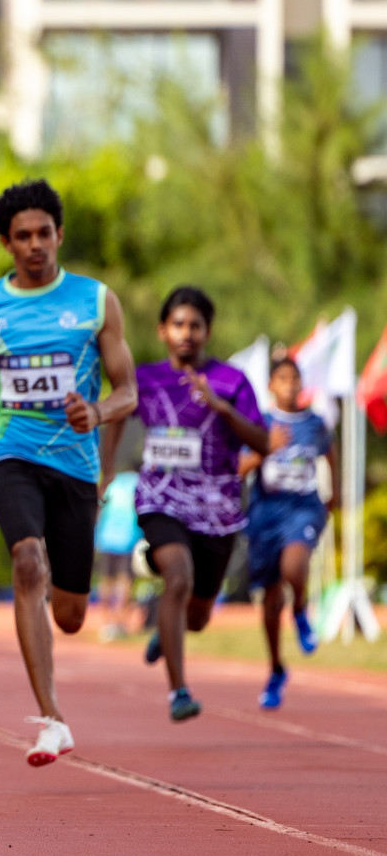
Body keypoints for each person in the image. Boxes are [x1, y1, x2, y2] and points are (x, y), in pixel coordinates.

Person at [0, 179, 137, 767]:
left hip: (74, 463)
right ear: (6, 243)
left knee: (70, 617)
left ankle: (52, 591)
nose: (34, 245)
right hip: (11, 451)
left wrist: (95, 411)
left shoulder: (96, 301)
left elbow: (128, 391)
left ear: (59, 235)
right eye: (21, 236)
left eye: (43, 233)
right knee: (26, 559)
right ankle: (52, 719)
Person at [102, 287, 268, 723]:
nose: (186, 333)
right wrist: (103, 472)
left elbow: (264, 441)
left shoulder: (232, 382)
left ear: (207, 332)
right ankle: (178, 690)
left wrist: (222, 410)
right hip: (161, 497)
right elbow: (117, 413)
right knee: (178, 576)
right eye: (178, 324)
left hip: (217, 507)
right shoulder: (147, 378)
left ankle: (168, 628)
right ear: (162, 331)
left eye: (195, 325)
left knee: (196, 617)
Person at [239, 357, 334, 709]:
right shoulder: (259, 423)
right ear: (271, 385)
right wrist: (266, 448)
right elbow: (239, 467)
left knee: (294, 567)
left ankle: (301, 611)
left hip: (303, 507)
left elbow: (329, 454)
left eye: (295, 378)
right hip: (266, 514)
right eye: (282, 378)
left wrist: (333, 494)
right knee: (269, 597)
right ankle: (276, 668)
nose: (290, 385)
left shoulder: (315, 424)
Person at [94, 471, 141, 640]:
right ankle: (121, 623)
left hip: (106, 538)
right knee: (124, 580)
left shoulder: (112, 484)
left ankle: (106, 623)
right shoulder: (138, 483)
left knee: (106, 580)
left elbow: (100, 511)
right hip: (129, 539)